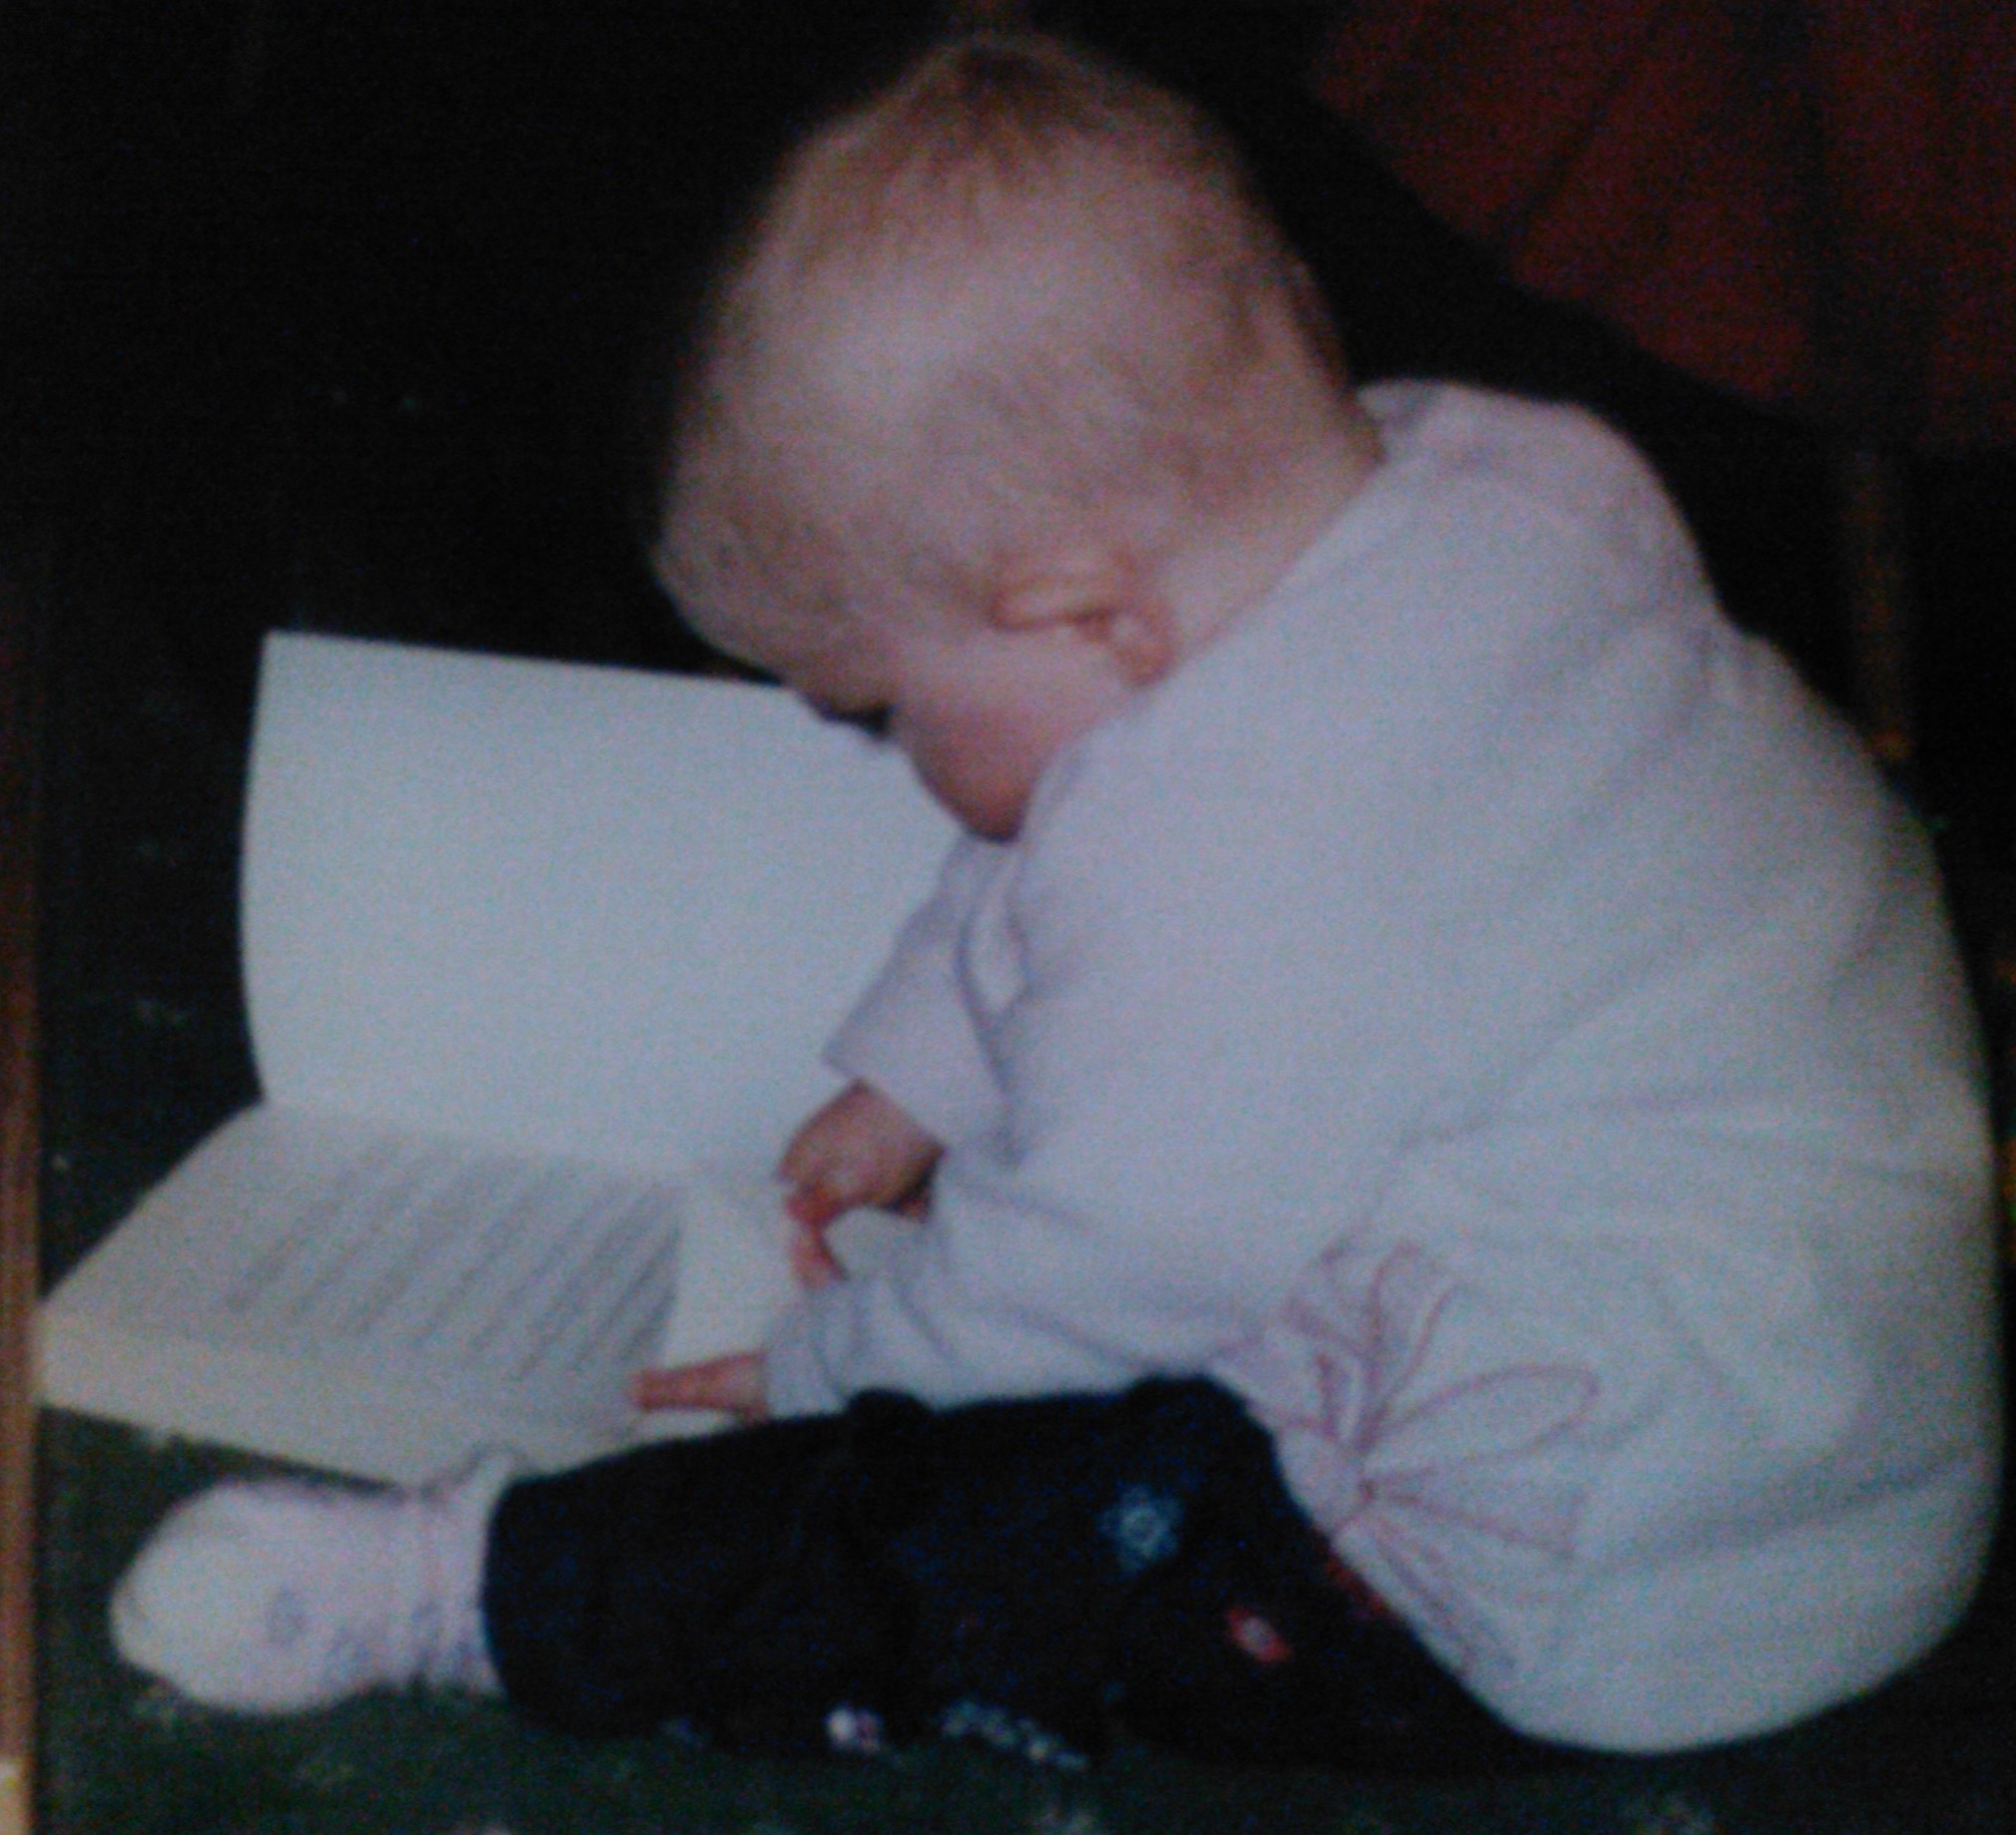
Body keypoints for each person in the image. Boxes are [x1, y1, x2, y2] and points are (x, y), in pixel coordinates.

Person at [113, 28, 2000, 1767]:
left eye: (880, 710)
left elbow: (1082, 1273)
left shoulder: (1251, 866)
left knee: (985, 1548)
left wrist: (817, 1362)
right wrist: (921, 1070)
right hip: (1850, 1437)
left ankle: (484, 1586)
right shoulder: (1475, 473)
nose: (885, 758)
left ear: (1080, 605)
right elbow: (1067, 835)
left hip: (1615, 1570)